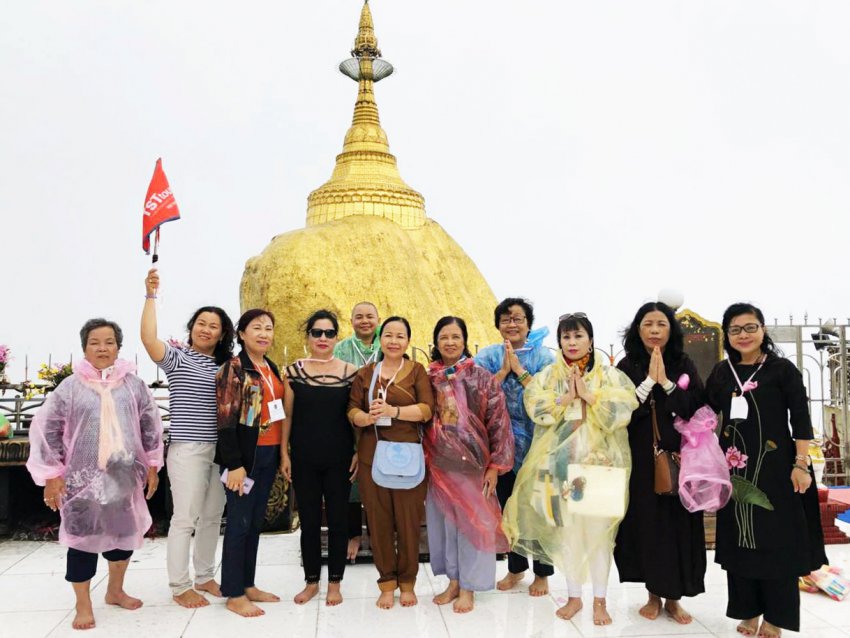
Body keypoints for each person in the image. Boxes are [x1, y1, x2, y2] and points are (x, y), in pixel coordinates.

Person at [27, 318, 163, 631]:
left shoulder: (133, 384)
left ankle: (115, 590)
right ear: (85, 347)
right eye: (95, 342)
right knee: (81, 540)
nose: (102, 348)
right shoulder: (70, 387)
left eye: (109, 342)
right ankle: (83, 603)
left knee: (122, 537)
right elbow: (47, 428)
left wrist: (153, 464)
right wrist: (52, 474)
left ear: (118, 347)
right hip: (81, 479)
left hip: (123, 475)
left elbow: (149, 425)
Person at [503, 313, 637, 625]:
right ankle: (574, 596)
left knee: (601, 536)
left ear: (591, 339)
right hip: (560, 467)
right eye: (566, 337)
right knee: (568, 534)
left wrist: (589, 395)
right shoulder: (550, 376)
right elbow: (536, 408)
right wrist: (566, 397)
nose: (572, 343)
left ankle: (600, 600)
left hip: (600, 466)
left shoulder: (609, 376)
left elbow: (621, 412)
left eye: (578, 336)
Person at [705, 303, 826, 637]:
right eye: (735, 329)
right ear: (726, 334)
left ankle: (775, 618)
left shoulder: (781, 370)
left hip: (777, 470)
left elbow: (801, 420)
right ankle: (748, 612)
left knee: (778, 543)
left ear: (762, 329)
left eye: (750, 327)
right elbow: (705, 413)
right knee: (741, 540)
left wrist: (801, 464)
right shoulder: (721, 372)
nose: (743, 335)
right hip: (735, 471)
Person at [141, 268, 235, 608]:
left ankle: (205, 575)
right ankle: (180, 586)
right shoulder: (178, 357)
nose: (206, 329)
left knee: (212, 515)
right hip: (188, 449)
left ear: (223, 333)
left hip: (221, 452)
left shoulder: (227, 367)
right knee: (185, 518)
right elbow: (149, 340)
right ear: (192, 327)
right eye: (201, 323)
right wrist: (151, 295)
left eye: (214, 326)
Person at [613, 302, 707, 624]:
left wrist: (666, 382)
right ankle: (653, 595)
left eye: (661, 324)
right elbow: (618, 412)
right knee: (647, 526)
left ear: (671, 329)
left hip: (679, 457)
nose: (654, 330)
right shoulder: (627, 365)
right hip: (640, 460)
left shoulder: (684, 363)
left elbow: (696, 408)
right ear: (637, 329)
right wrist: (645, 385)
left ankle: (675, 599)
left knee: (678, 526)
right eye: (648, 324)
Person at [425, 316, 513, 613]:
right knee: (447, 526)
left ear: (464, 340)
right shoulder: (429, 377)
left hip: (475, 465)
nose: (450, 342)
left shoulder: (481, 377)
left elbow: (498, 421)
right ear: (436, 343)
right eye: (444, 337)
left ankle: (469, 587)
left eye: (455, 337)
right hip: (441, 463)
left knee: (473, 526)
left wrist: (495, 466)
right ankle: (453, 580)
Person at [347, 316, 435, 609]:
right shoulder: (366, 373)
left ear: (408, 341)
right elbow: (352, 411)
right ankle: (386, 582)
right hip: (373, 456)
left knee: (409, 522)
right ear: (380, 339)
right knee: (379, 522)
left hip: (408, 457)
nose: (394, 341)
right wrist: (367, 417)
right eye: (388, 335)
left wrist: (393, 411)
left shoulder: (417, 371)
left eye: (400, 336)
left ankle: (408, 582)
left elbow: (425, 410)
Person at [474, 297, 555, 596]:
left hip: (538, 444)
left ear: (528, 324)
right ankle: (516, 568)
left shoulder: (544, 358)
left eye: (518, 318)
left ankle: (543, 573)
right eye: (506, 319)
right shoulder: (487, 357)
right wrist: (503, 372)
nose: (512, 324)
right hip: (501, 446)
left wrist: (520, 370)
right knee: (510, 509)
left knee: (540, 509)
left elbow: (550, 398)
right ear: (497, 325)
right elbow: (477, 396)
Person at [281, 310, 358, 606]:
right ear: (308, 337)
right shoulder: (293, 372)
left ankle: (335, 583)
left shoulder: (351, 373)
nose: (323, 338)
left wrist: (356, 452)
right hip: (304, 458)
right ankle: (311, 581)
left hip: (339, 458)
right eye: (317, 332)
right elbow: (286, 416)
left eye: (329, 333)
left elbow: (353, 418)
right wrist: (283, 453)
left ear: (337, 337)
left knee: (338, 521)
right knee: (310, 522)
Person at [216, 309, 285, 617]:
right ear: (241, 334)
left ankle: (248, 583)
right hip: (244, 458)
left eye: (268, 328)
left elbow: (277, 411)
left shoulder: (270, 367)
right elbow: (225, 420)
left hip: (268, 454)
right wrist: (234, 465)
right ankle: (233, 592)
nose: (263, 333)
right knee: (239, 524)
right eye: (256, 328)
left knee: (255, 523)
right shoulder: (233, 369)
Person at [333, 301, 381, 560]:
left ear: (378, 319)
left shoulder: (386, 345)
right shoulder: (341, 349)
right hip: (349, 418)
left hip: (382, 421)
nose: (365, 321)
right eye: (359, 316)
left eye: (369, 316)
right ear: (351, 321)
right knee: (350, 479)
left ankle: (377, 532)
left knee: (379, 480)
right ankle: (353, 534)